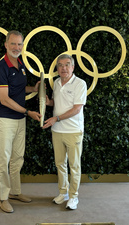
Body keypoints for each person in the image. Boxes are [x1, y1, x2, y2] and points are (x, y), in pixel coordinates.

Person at [0, 30, 41, 213]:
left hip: (20, 119)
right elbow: (4, 99)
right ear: (6, 45)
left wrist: (33, 88)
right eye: (13, 44)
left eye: (20, 44)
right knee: (3, 159)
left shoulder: (20, 64)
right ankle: (2, 197)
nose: (17, 47)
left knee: (17, 158)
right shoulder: (0, 67)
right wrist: (28, 112)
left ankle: (15, 192)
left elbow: (18, 89)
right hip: (5, 119)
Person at [42, 54, 87, 210]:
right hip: (57, 131)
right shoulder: (56, 83)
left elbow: (76, 108)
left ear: (73, 67)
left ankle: (74, 197)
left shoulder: (80, 84)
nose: (63, 68)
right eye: (60, 65)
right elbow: (57, 102)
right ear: (57, 68)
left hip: (73, 131)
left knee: (74, 166)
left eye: (67, 64)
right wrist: (48, 103)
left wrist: (56, 118)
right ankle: (64, 193)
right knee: (60, 164)